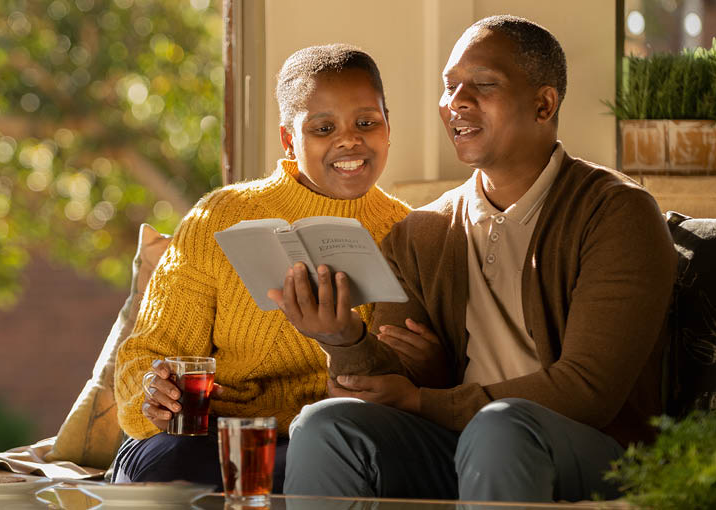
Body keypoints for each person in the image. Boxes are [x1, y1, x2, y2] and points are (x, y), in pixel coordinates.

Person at [270, 15, 678, 502]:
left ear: (543, 104)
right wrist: (343, 338)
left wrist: (425, 400)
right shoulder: (421, 233)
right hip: (460, 444)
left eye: (483, 85)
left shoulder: (616, 212)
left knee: (500, 430)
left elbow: (588, 390)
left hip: (594, 453)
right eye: (449, 86)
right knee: (324, 424)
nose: (456, 102)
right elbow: (397, 383)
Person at [111, 44, 410, 491]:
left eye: (366, 122)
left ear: (388, 127)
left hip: (322, 444)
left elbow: (410, 377)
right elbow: (146, 354)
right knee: (165, 468)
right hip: (202, 438)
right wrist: (155, 395)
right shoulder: (219, 216)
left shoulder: (409, 233)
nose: (349, 140)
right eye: (323, 128)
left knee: (324, 471)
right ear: (290, 139)